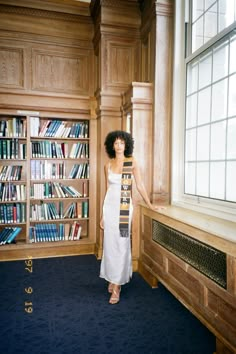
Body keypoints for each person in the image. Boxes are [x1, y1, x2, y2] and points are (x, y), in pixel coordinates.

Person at [99, 130, 159, 305]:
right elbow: (107, 190)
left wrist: (150, 204)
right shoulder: (108, 165)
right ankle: (112, 277)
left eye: (122, 143)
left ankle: (117, 285)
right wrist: (103, 215)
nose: (119, 146)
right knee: (110, 244)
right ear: (112, 145)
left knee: (122, 243)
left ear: (127, 145)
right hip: (110, 207)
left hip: (125, 206)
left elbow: (139, 184)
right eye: (116, 143)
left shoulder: (131, 162)